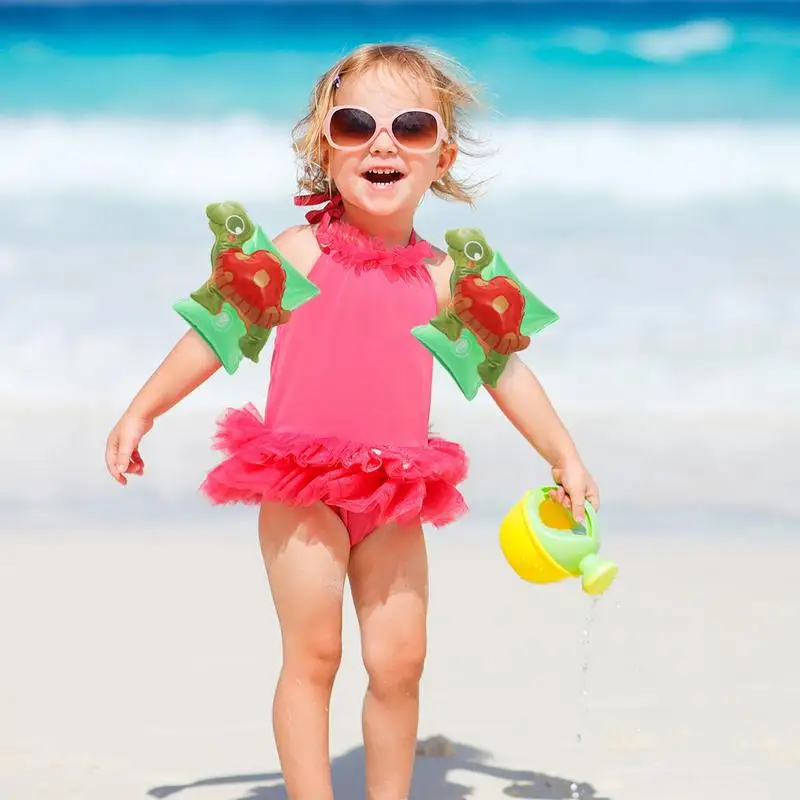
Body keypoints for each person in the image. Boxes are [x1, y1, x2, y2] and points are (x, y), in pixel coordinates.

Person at [105, 43, 599, 800]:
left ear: (442, 156)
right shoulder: (294, 254)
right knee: (316, 653)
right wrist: (142, 410)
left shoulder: (450, 277)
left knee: (401, 661)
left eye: (411, 127)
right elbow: (213, 334)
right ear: (323, 147)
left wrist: (561, 451)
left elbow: (504, 369)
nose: (383, 142)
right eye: (356, 123)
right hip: (300, 483)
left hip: (396, 490)